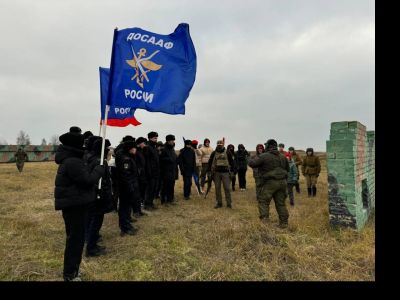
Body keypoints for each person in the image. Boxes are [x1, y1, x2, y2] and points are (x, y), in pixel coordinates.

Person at [54, 126, 105, 281]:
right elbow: (87, 180)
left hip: (74, 204)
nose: (84, 146)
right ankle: (70, 274)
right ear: (75, 145)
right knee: (75, 241)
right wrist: (99, 170)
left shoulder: (71, 160)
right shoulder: (73, 162)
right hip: (74, 206)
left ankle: (73, 270)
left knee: (75, 239)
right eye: (82, 143)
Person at [248, 139, 290, 228]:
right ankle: (284, 223)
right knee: (281, 203)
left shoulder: (264, 156)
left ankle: (265, 224)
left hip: (270, 182)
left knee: (263, 201)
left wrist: (249, 158)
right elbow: (287, 169)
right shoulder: (283, 156)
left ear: (267, 146)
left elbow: (252, 164)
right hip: (282, 182)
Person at [85, 138, 114, 257]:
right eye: (107, 149)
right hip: (98, 198)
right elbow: (102, 181)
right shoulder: (100, 162)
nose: (109, 151)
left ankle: (93, 244)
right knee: (96, 222)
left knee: (93, 220)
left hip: (93, 197)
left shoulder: (91, 159)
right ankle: (91, 248)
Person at [115, 140, 140, 236]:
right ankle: (125, 228)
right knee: (124, 208)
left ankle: (127, 226)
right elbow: (126, 176)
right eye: (134, 148)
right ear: (130, 148)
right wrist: (131, 188)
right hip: (126, 188)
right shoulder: (125, 159)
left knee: (126, 207)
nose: (136, 150)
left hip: (128, 187)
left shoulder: (129, 157)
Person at [207, 140, 234, 208]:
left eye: (220, 144)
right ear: (217, 144)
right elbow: (210, 163)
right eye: (218, 144)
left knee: (227, 188)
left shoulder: (228, 152)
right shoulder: (213, 153)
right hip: (216, 173)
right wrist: (209, 171)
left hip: (226, 173)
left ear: (223, 144)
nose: (219, 145)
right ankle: (219, 203)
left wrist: (233, 171)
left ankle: (229, 203)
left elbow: (232, 163)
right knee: (217, 188)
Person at [159, 135, 178, 205]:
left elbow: (174, 158)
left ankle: (170, 199)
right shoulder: (163, 149)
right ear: (168, 141)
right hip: (165, 171)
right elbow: (160, 159)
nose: (173, 142)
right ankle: (164, 201)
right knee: (165, 186)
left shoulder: (172, 148)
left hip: (172, 170)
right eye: (172, 140)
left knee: (171, 186)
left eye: (173, 140)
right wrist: (168, 159)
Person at [144, 132, 160, 210]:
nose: (156, 139)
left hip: (156, 172)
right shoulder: (148, 147)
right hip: (150, 172)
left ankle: (151, 203)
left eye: (156, 138)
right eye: (154, 138)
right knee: (150, 189)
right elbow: (147, 162)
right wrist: (149, 172)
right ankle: (147, 204)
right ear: (150, 138)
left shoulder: (154, 147)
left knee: (154, 188)